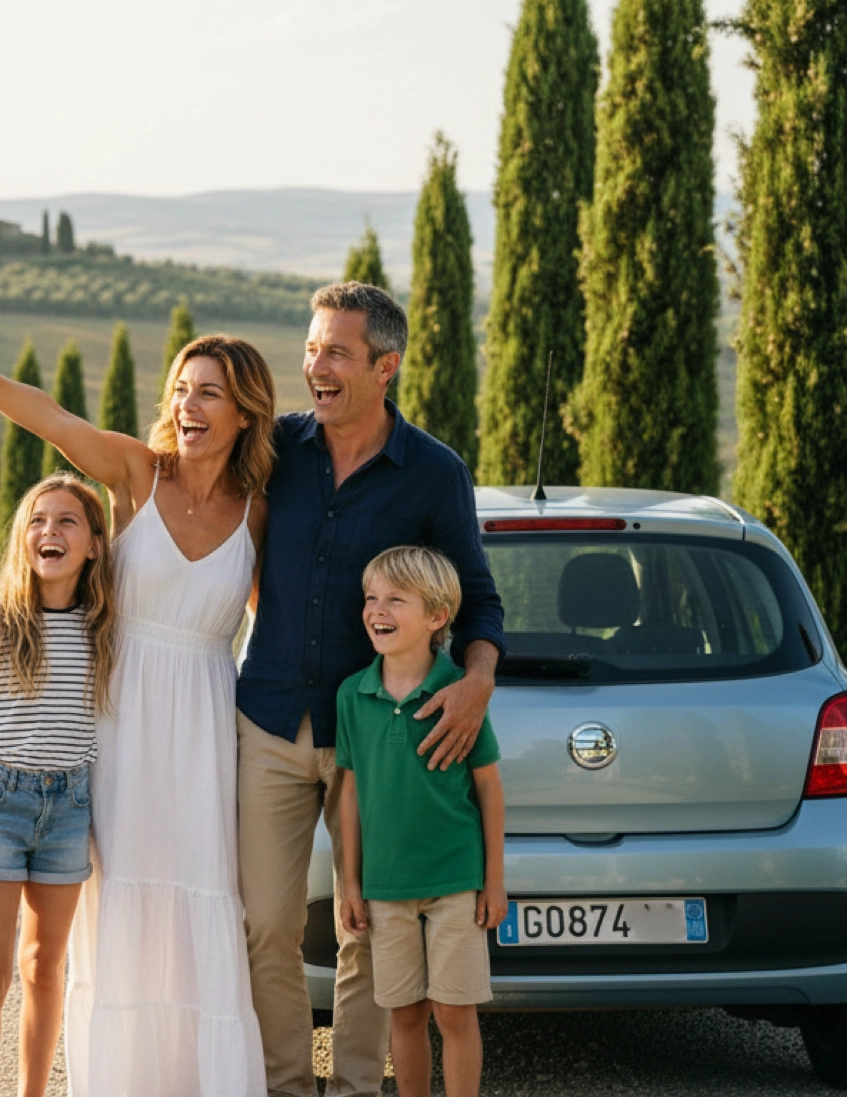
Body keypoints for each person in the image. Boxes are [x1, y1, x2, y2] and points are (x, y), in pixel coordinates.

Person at [0, 335, 274, 1096]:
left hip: (205, 725)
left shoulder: (259, 513)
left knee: (200, 890)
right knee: (113, 901)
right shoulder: (138, 473)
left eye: (208, 392)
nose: (188, 406)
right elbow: (52, 419)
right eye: (181, 389)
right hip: (116, 720)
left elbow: (282, 618)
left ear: (245, 411)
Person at [236, 281, 506, 1097]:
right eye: (312, 347)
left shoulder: (433, 473)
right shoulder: (274, 449)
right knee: (269, 926)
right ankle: (288, 1085)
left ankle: (354, 1087)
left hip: (380, 741)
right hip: (273, 720)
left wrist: (477, 683)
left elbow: (480, 598)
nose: (315, 365)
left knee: (366, 928)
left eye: (337, 352)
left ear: (385, 366)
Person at [0, 475, 117, 1097]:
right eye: (39, 520)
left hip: (69, 808)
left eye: (68, 522)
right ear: (24, 537)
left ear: (95, 544)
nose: (50, 532)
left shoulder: (103, 625)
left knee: (45, 967)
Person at [334, 546, 505, 1097]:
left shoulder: (460, 695)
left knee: (455, 1015)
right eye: (371, 598)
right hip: (385, 889)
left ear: (437, 618)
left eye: (394, 600)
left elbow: (489, 789)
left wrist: (494, 883)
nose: (376, 610)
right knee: (403, 1016)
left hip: (455, 884)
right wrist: (351, 884)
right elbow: (351, 793)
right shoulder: (352, 695)